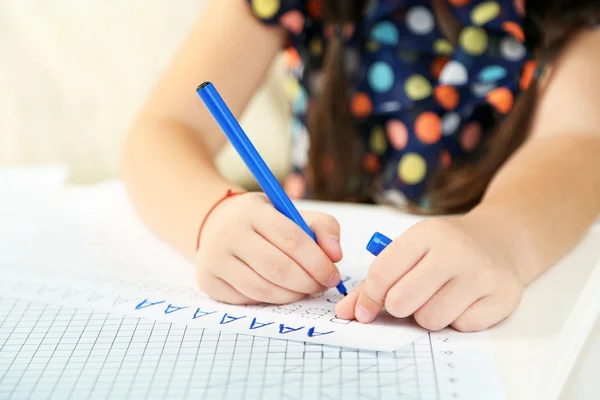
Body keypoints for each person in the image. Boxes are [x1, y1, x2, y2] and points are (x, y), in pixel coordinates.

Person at [121, 0, 600, 332]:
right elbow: (161, 131)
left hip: (477, 281)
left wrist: (501, 239)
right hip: (311, 265)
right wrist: (211, 217)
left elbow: (578, 145)